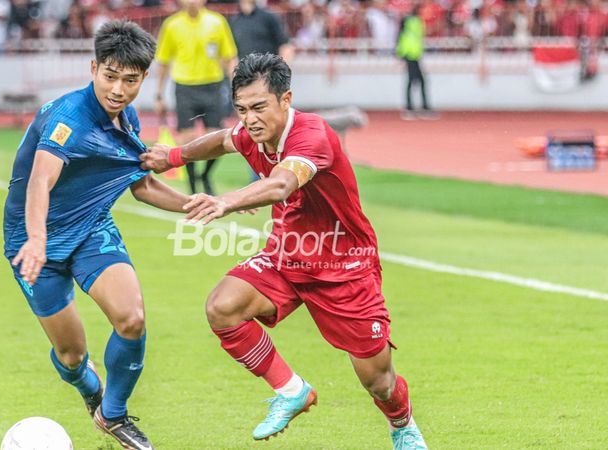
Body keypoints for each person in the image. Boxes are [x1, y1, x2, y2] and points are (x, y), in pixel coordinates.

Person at [140, 53, 428, 449]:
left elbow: (280, 185)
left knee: (378, 381)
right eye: (241, 109)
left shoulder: (313, 136)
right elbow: (222, 141)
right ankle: (291, 390)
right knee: (222, 307)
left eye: (259, 107)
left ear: (286, 99)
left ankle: (403, 426)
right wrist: (173, 156)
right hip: (287, 255)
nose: (249, 119)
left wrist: (227, 201)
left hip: (343, 265)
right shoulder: (250, 133)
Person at [3, 20, 189, 450]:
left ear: (144, 78)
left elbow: (140, 185)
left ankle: (114, 415)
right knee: (71, 358)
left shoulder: (127, 115)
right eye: (110, 76)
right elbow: (39, 182)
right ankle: (91, 392)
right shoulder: (68, 118)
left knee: (132, 318)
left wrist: (199, 203)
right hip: (35, 245)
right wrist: (35, 238)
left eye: (130, 80)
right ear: (93, 68)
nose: (118, 90)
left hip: (91, 230)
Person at [154, 0, 238, 195]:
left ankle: (205, 175)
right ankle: (192, 187)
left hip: (212, 85)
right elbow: (164, 62)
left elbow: (229, 57)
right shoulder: (172, 24)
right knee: (187, 138)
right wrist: (159, 95)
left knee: (217, 136)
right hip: (185, 86)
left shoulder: (217, 22)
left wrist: (237, 86)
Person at [396, 1, 436, 120]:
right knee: (416, 81)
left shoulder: (410, 20)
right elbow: (405, 38)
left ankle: (413, 107)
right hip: (411, 55)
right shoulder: (414, 21)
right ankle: (415, 108)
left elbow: (401, 37)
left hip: (413, 55)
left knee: (415, 81)